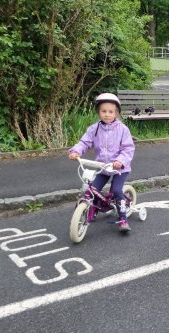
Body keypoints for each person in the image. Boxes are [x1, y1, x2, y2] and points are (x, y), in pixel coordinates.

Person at [68, 93, 135, 232]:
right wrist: (76, 152)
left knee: (117, 191)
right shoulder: (94, 129)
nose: (107, 114)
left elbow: (128, 148)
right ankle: (91, 210)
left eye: (111, 111)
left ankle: (123, 218)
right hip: (102, 167)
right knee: (91, 190)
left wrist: (120, 161)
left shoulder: (122, 129)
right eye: (103, 111)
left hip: (119, 168)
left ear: (116, 112)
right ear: (98, 112)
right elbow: (84, 142)